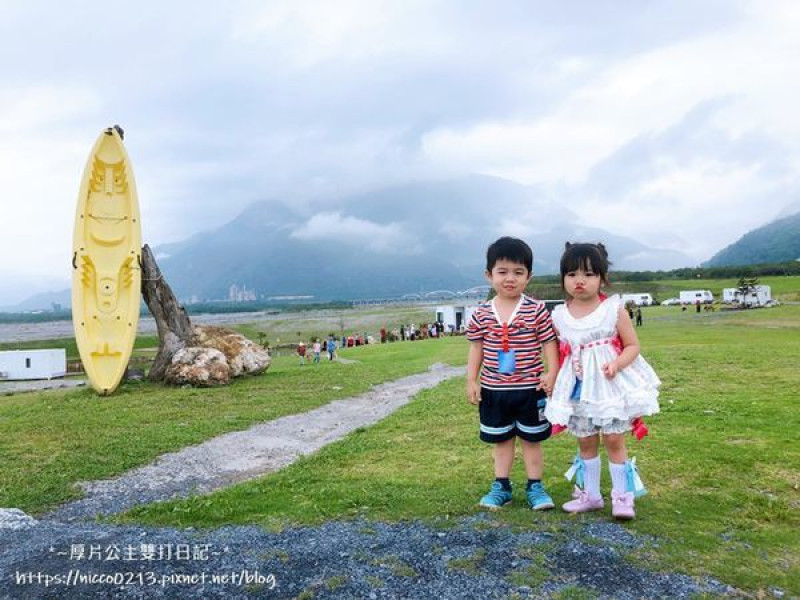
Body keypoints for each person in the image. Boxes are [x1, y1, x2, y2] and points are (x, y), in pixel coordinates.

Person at [544, 242, 660, 520]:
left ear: (602, 277)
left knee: (613, 438)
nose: (579, 281)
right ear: (563, 279)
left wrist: (617, 363)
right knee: (585, 442)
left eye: (588, 274)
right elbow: (557, 352)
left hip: (609, 387)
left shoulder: (613, 309)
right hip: (578, 389)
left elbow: (632, 345)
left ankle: (622, 497)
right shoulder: (559, 315)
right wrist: (550, 375)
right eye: (571, 274)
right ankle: (591, 495)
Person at [466, 236, 559, 512]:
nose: (510, 279)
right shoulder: (481, 313)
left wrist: (552, 371)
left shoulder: (537, 310)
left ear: (528, 277)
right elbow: (476, 347)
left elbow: (548, 342)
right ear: (489, 275)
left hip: (531, 389)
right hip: (494, 390)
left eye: (518, 272)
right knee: (501, 440)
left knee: (532, 440)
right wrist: (471, 379)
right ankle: (501, 486)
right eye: (502, 271)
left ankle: (535, 487)